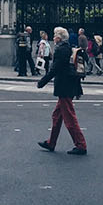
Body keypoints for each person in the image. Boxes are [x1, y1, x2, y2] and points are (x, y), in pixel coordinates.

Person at [36, 25, 87, 155]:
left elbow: (55, 69)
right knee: (57, 116)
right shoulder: (67, 48)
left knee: (69, 117)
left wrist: (42, 82)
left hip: (64, 87)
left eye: (55, 36)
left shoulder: (61, 50)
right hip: (67, 85)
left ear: (58, 38)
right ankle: (51, 142)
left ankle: (81, 144)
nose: (53, 38)